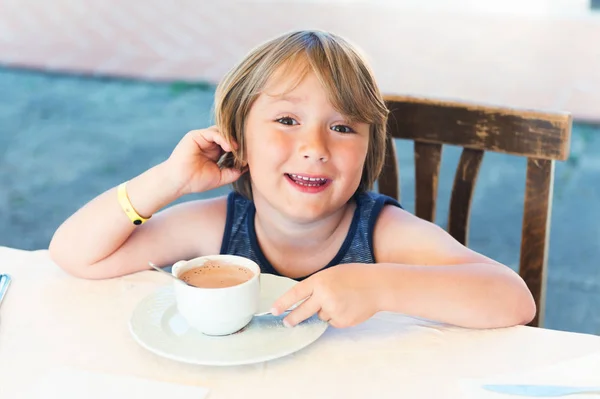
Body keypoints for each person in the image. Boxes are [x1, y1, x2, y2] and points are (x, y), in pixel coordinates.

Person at [49, 30, 535, 330]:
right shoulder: (216, 226)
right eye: (286, 121)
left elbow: (512, 299)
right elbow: (75, 255)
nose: (315, 147)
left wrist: (379, 286)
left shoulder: (381, 232)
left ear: (369, 149)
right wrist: (167, 180)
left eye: (343, 128)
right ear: (237, 135)